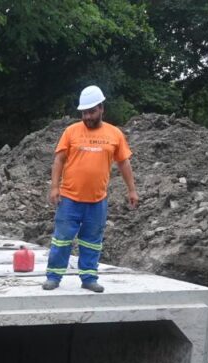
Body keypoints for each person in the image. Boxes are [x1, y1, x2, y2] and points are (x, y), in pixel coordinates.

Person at [44, 85, 139, 293]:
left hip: (97, 201)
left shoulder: (114, 134)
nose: (87, 116)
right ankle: (54, 276)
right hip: (69, 198)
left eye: (91, 111)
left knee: (92, 241)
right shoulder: (71, 131)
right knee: (61, 239)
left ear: (101, 108)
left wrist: (131, 190)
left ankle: (89, 277)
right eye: (84, 112)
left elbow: (124, 163)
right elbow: (59, 160)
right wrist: (54, 187)